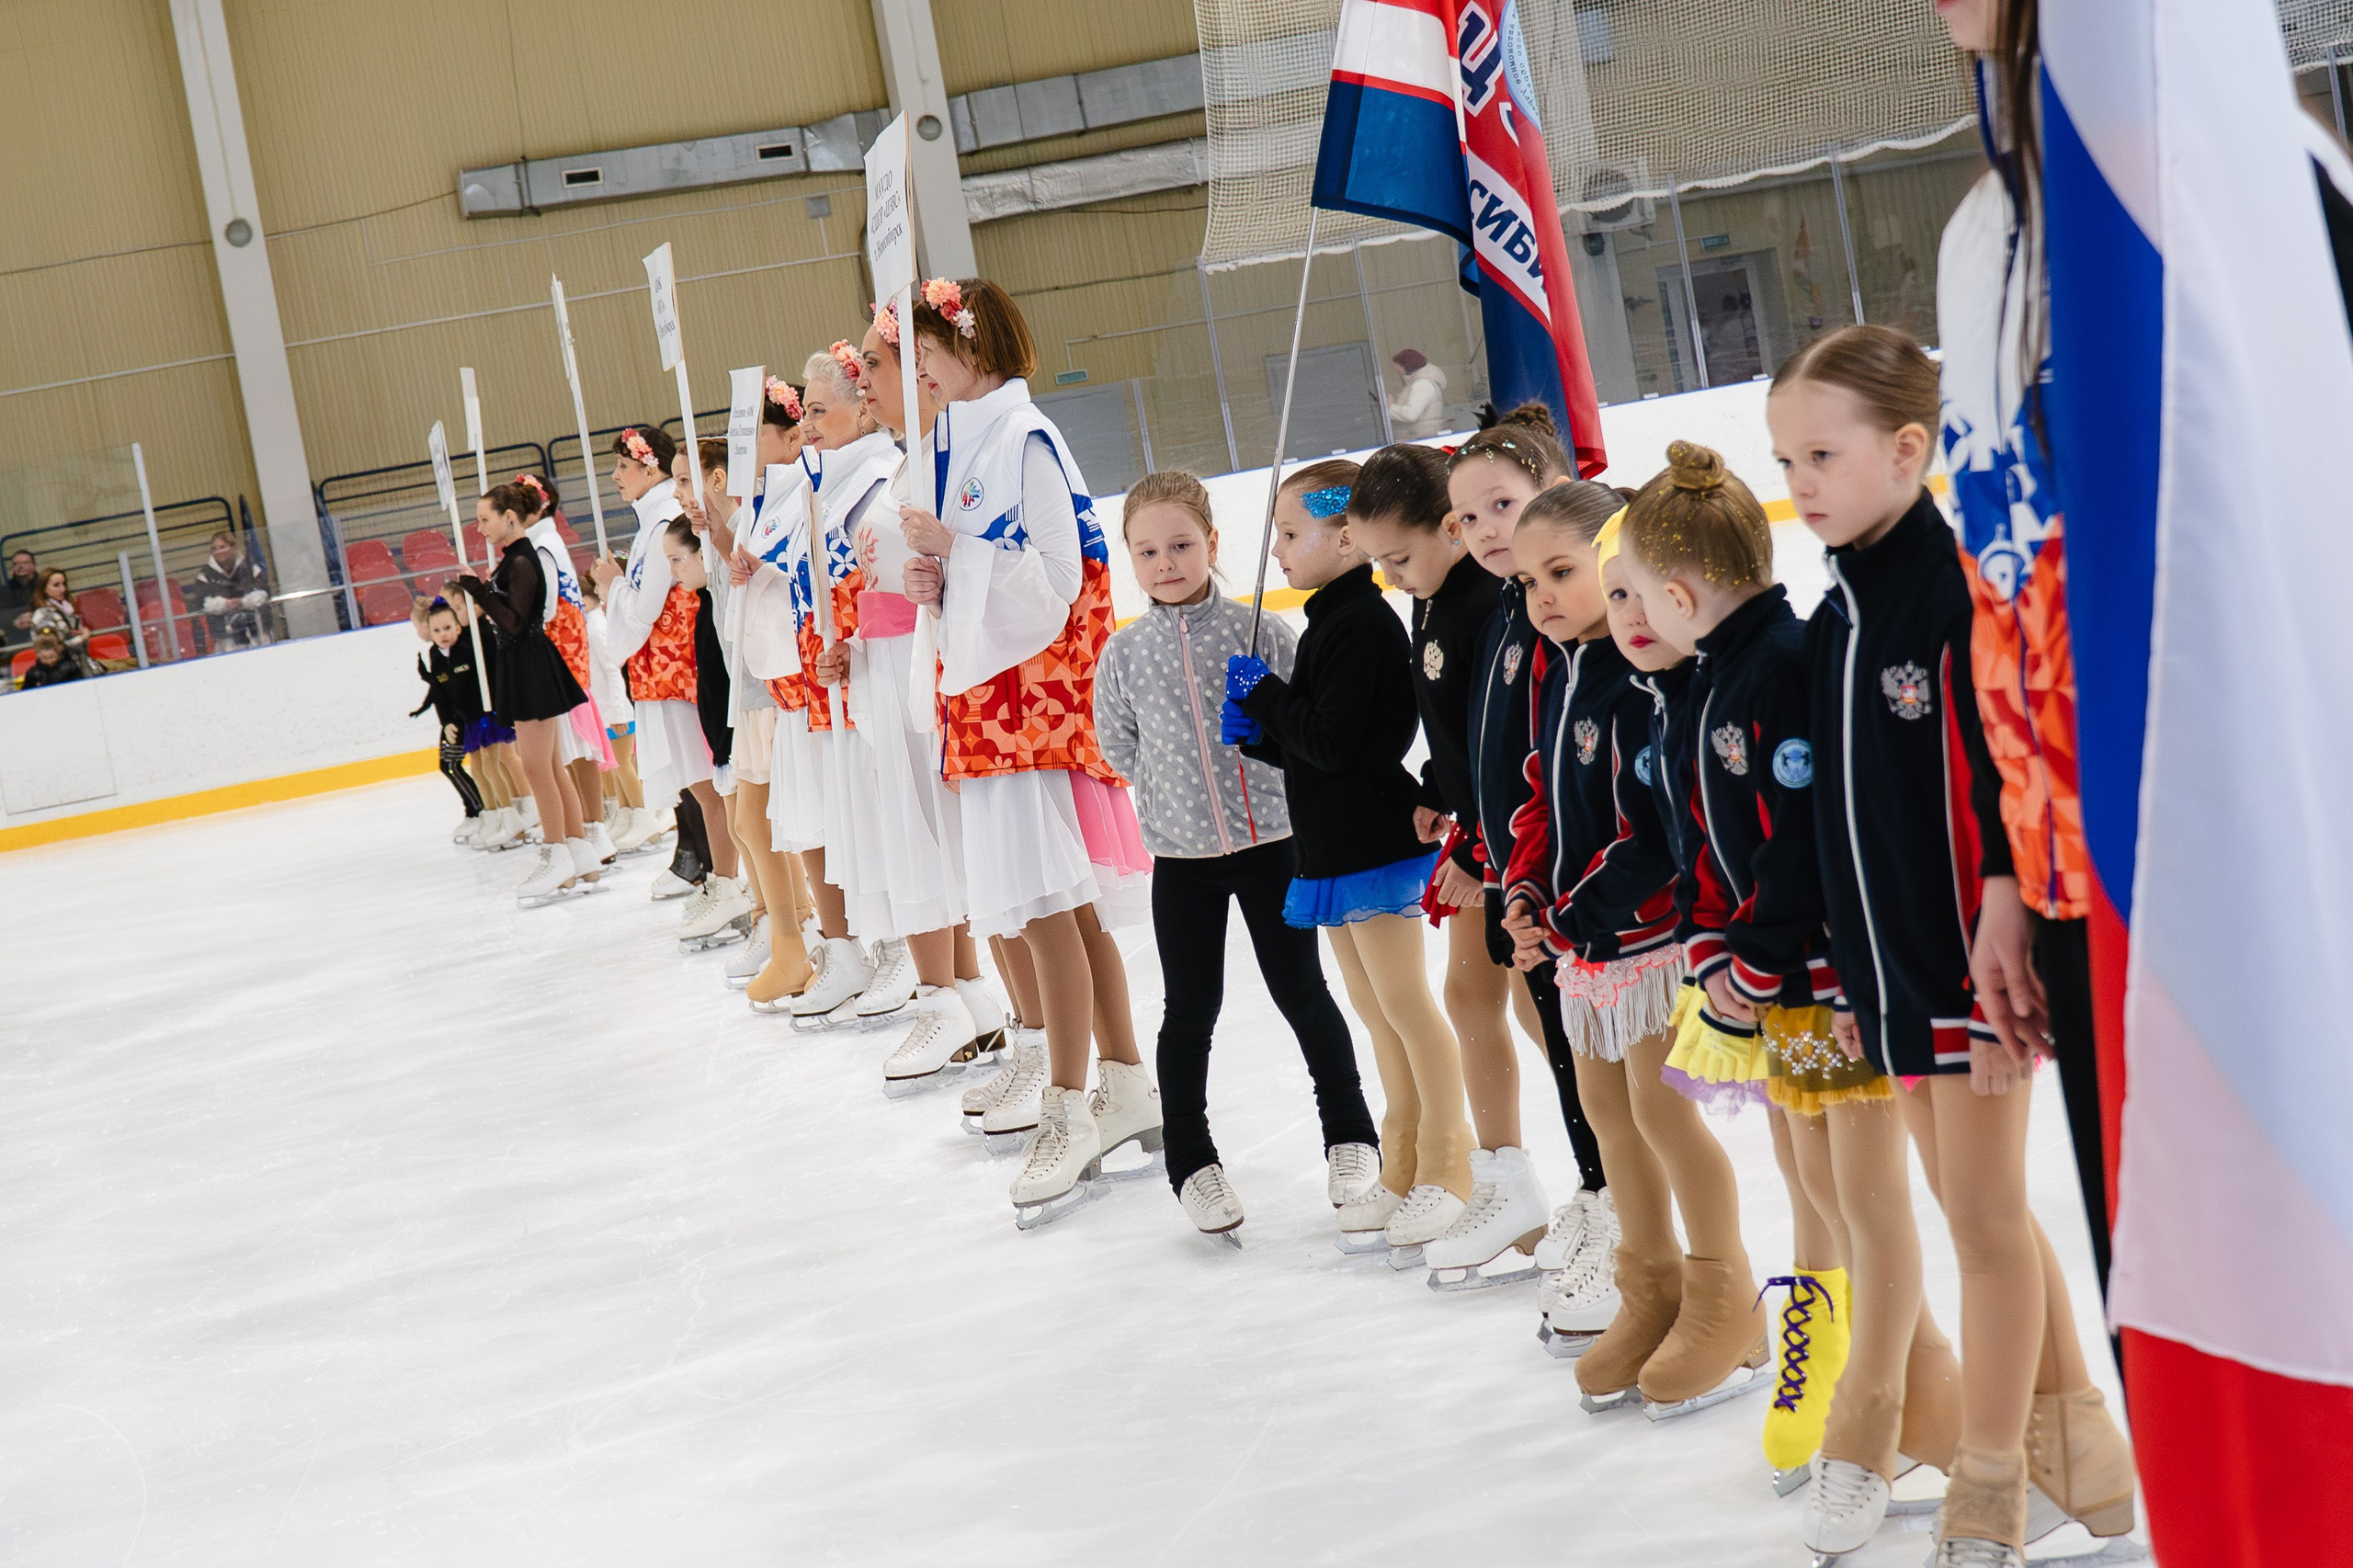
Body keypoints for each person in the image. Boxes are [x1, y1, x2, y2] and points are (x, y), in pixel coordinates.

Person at [1778, 325, 2136, 1562]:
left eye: (1823, 453)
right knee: (1969, 1208)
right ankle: (2078, 1449)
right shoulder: (1835, 618)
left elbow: (2002, 780)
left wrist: (2004, 913)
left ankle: (1991, 1483)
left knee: (1982, 1221)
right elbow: (1837, 817)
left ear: (1909, 449)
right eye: (1787, 459)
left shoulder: (1955, 594)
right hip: (1885, 976)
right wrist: (1833, 968)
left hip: (1973, 966)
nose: (1802, 481)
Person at [1934, 0, 2120, 1380]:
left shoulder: (2241, 193)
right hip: (2071, 889)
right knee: (2160, 1311)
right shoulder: (1983, 235)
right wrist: (2007, 863)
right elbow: (2006, 594)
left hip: (2240, 874)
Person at [897, 277, 1159, 1229]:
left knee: (1049, 910)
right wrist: (942, 566)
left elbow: (1059, 577)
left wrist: (956, 552)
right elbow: (988, 562)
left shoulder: (1023, 439)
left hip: (1026, 715)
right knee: (1059, 912)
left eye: (927, 343)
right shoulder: (977, 439)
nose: (916, 363)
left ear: (974, 344)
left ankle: (1069, 1104)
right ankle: (1124, 1083)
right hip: (992, 703)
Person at [1097, 470, 1381, 1237]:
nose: (1167, 563)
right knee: (1190, 1010)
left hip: (1272, 849)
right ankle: (1191, 1160)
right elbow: (1118, 744)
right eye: (1148, 551)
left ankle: (1352, 1137)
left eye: (1182, 545)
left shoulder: (1258, 632)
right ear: (1131, 557)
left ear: (1214, 545)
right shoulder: (1123, 656)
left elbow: (1304, 727)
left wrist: (1264, 721)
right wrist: (1167, 795)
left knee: (1304, 995)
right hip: (1183, 861)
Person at [1609, 442, 1814, 1419]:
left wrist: (1754, 954)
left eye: (1639, 596)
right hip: (1760, 974)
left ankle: (1874, 1388)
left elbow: (1796, 840)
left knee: (1845, 1194)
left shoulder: (1772, 669)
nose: (1635, 620)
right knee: (1808, 1173)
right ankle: (1848, 1373)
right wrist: (1711, 943)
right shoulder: (1708, 683)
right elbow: (1707, 840)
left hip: (1815, 981)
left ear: (1680, 598)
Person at [1222, 458, 1472, 1257]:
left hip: (1371, 844)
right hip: (1333, 847)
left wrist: (1266, 699)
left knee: (1405, 1008)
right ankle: (1401, 1164)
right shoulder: (1333, 620)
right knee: (1375, 1014)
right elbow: (1318, 751)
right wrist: (1263, 735)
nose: (1278, 553)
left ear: (1343, 536)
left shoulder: (1362, 622)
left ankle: (1449, 1164)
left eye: (1291, 534)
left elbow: (1334, 745)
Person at [1344, 437, 1560, 1288]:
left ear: (1446, 532)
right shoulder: (1432, 599)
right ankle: (1506, 1173)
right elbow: (1455, 732)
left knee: (1529, 999)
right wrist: (1436, 793)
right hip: (1476, 837)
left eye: (1399, 557)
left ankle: (1597, 1161)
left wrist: (1473, 841)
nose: (1393, 576)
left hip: (1504, 845)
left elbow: (1501, 743)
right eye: (1379, 563)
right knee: (1471, 991)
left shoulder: (1485, 602)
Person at [1447, 410, 1622, 1323]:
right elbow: (1507, 758)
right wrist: (1490, 857)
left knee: (1597, 1064)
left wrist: (1535, 874)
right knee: (1564, 1053)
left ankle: (1619, 1207)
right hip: (1526, 877)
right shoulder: (1510, 610)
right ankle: (1600, 1195)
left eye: (1502, 506)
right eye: (1468, 518)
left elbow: (1571, 766)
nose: (1485, 531)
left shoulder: (1564, 616)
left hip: (1586, 893)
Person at [828, 326, 1010, 1081]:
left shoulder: (941, 459)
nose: (862, 378)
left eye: (875, 364)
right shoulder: (908, 461)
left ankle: (951, 994)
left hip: (927, 659)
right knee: (918, 829)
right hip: (891, 662)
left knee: (934, 832)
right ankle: (962, 993)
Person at [591, 426, 729, 919]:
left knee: (704, 779)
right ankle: (711, 869)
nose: (615, 475)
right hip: (662, 668)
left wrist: (612, 587)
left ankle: (723, 876)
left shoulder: (662, 520)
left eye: (623, 466)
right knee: (695, 779)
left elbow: (647, 606)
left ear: (651, 467)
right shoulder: (653, 520)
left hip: (676, 666)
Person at [451, 482, 597, 906]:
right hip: (527, 664)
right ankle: (577, 850)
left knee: (536, 766)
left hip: (531, 665)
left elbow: (514, 622)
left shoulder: (522, 560)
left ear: (509, 517)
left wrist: (476, 590)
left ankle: (556, 853)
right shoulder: (516, 558)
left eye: (484, 519)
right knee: (549, 764)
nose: (479, 528)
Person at [664, 447, 756, 953]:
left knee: (754, 825)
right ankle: (757, 907)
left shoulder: (727, 556)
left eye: (683, 481)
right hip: (728, 727)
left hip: (748, 716)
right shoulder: (701, 602)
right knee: (746, 825)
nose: (677, 494)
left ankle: (763, 908)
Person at [512, 473, 618, 876]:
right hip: (562, 657)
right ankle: (587, 834)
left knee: (574, 748)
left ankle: (590, 831)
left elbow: (547, 607)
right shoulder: (544, 543)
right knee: (568, 750)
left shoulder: (542, 546)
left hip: (559, 658)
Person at [579, 571, 654, 851]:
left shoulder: (596, 624)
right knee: (616, 767)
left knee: (623, 767)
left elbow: (612, 670)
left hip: (616, 710)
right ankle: (627, 813)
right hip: (606, 710)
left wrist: (617, 712)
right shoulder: (589, 623)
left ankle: (644, 817)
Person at [409, 596, 489, 837]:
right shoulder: (435, 655)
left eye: (447, 628)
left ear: (458, 627)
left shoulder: (465, 649)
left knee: (457, 765)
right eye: (437, 630)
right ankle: (478, 809)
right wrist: (446, 723)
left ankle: (482, 810)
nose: (442, 634)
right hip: (454, 720)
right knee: (449, 765)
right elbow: (440, 691)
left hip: (473, 718)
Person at [192, 530, 271, 650]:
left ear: (233, 547)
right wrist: (225, 604)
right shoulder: (205, 576)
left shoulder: (251, 568)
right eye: (215, 549)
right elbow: (202, 603)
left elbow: (264, 592)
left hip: (256, 631)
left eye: (223, 547)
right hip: (225, 637)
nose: (219, 552)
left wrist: (244, 602)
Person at [28, 568, 100, 676]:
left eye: (63, 584)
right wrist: (83, 637)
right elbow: (51, 648)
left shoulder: (68, 610)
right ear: (44, 589)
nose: (62, 589)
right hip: (59, 672)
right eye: (56, 585)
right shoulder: (42, 614)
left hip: (79, 667)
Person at [1387, 349, 1449, 438]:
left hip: (1425, 437)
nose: (1398, 373)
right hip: (1423, 436)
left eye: (1398, 369)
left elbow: (1411, 414)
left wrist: (1391, 408)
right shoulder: (1415, 382)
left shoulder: (1422, 384)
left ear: (1407, 366)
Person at [17, 628, 83, 689]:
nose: (50, 661)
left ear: (57, 653)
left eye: (52, 657)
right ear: (38, 655)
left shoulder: (70, 667)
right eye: (45, 658)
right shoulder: (33, 673)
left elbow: (80, 686)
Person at [3, 550, 37, 638]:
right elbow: (3, 615)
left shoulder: (44, 584)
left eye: (25, 563)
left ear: (33, 566)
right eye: (16, 564)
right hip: (17, 632)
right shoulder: (5, 590)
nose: (20, 567)